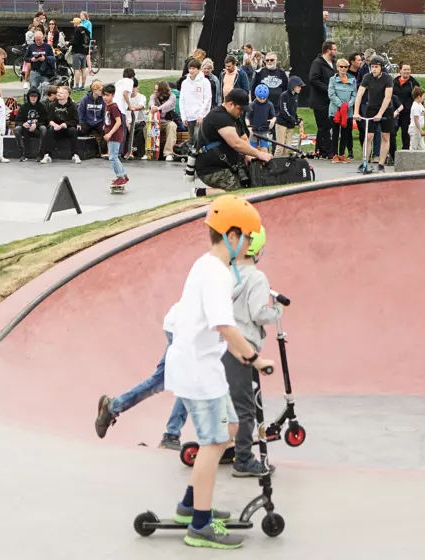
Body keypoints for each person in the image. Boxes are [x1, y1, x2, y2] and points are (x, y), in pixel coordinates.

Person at [161, 195, 274, 549]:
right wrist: (254, 358)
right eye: (248, 237)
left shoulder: (212, 267)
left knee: (229, 429)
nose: (249, 245)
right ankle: (200, 525)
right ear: (233, 234)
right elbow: (225, 326)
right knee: (212, 445)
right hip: (198, 369)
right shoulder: (214, 273)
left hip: (205, 365)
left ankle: (188, 505)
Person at [223, 226, 282, 477]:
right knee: (246, 406)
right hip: (243, 345)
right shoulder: (257, 278)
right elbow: (258, 312)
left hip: (223, 343)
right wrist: (277, 311)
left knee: (227, 402)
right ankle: (244, 459)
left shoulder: (227, 273)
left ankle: (225, 447)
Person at [195, 90, 272, 195]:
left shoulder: (234, 117)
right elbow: (236, 143)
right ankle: (200, 193)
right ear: (231, 104)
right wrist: (259, 154)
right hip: (211, 169)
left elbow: (243, 138)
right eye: (240, 109)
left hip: (229, 165)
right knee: (238, 192)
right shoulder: (219, 116)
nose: (241, 113)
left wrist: (250, 156)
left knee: (250, 184)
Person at [354, 56, 394, 172]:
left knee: (385, 136)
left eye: (376, 67)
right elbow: (359, 95)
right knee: (369, 136)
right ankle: (365, 162)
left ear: (381, 67)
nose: (374, 69)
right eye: (372, 67)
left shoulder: (387, 78)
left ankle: (381, 164)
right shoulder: (367, 77)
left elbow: (387, 97)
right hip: (371, 107)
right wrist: (356, 111)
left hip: (386, 109)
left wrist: (380, 114)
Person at [306, 42, 335, 159]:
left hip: (329, 100)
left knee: (327, 126)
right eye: (334, 49)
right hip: (319, 100)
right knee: (323, 126)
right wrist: (327, 89)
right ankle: (325, 151)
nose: (336, 52)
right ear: (328, 51)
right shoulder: (317, 63)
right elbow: (313, 79)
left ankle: (320, 150)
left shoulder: (332, 63)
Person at [328, 55, 357, 162]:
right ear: (337, 67)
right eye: (341, 67)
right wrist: (341, 105)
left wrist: (348, 104)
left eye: (345, 67)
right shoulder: (332, 79)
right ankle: (334, 154)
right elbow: (331, 94)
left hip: (348, 111)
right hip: (335, 111)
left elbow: (355, 94)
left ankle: (342, 154)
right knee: (335, 134)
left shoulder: (352, 80)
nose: (343, 69)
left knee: (346, 133)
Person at [181, 59, 213, 149]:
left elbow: (207, 99)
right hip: (189, 115)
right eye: (190, 68)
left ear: (198, 69)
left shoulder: (205, 82)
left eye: (193, 68)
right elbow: (182, 100)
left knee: (199, 138)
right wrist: (183, 116)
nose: (191, 70)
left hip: (200, 116)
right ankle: (191, 157)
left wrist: (201, 114)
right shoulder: (185, 83)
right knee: (191, 139)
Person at [273, 76, 304, 157]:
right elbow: (284, 111)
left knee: (288, 147)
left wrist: (298, 119)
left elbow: (293, 111)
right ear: (293, 86)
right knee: (280, 146)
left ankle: (284, 165)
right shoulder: (284, 95)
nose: (300, 88)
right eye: (299, 86)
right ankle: (276, 164)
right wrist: (294, 120)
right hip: (282, 123)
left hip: (290, 124)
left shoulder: (296, 96)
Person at [78, 81, 107, 154]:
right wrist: (80, 123)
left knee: (105, 131)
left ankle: (103, 151)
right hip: (87, 122)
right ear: (94, 90)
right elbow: (80, 112)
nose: (102, 92)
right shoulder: (85, 99)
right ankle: (78, 150)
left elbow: (104, 113)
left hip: (98, 122)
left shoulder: (103, 100)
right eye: (100, 90)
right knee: (79, 130)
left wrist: (104, 124)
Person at [247, 83, 276, 148]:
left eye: (264, 99)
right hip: (254, 130)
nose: (262, 100)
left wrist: (273, 120)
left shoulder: (269, 104)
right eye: (260, 98)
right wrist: (249, 127)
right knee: (252, 149)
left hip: (264, 130)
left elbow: (274, 116)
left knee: (264, 148)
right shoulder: (252, 105)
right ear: (256, 96)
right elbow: (247, 117)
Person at [69, 17, 91, 90]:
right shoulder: (86, 30)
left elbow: (75, 41)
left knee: (77, 69)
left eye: (74, 23)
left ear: (76, 23)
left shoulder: (77, 30)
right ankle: (83, 85)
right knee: (83, 68)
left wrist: (68, 43)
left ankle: (77, 86)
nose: (73, 24)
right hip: (85, 52)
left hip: (77, 52)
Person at [407, 86, 425, 151]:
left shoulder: (420, 105)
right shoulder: (415, 106)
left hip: (419, 129)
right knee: (413, 148)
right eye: (423, 96)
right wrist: (420, 130)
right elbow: (416, 120)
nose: (424, 98)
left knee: (422, 149)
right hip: (415, 129)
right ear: (419, 96)